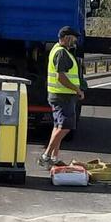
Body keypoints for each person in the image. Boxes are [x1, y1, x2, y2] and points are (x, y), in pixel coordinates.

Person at [39, 26, 85, 168]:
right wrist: (77, 89)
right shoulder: (61, 53)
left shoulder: (59, 50)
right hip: (63, 96)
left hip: (60, 95)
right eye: (73, 37)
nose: (75, 40)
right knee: (65, 126)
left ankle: (54, 157)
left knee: (58, 125)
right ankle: (46, 156)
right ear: (66, 38)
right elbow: (61, 77)